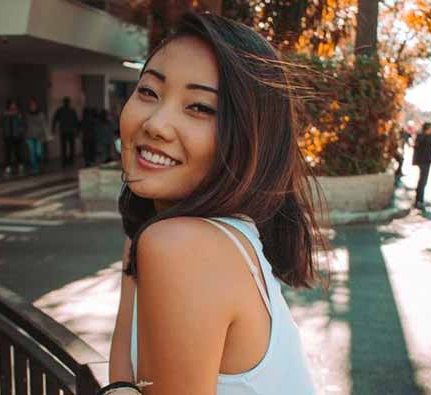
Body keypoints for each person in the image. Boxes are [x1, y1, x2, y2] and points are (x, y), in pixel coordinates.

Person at [106, 13, 322, 395]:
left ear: (249, 137)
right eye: (149, 92)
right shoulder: (155, 237)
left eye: (200, 108)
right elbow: (125, 369)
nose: (156, 124)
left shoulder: (182, 245)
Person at [0, 99, 26, 176]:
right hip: (7, 136)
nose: (13, 106)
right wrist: (3, 118)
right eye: (11, 104)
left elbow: (22, 124)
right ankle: (8, 168)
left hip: (17, 136)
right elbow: (0, 123)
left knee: (18, 152)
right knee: (8, 153)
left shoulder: (19, 113)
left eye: (14, 104)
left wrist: (21, 132)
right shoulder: (5, 114)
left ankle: (21, 166)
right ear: (9, 105)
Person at [412, 122, 431, 209]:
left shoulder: (426, 136)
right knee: (422, 181)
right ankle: (419, 200)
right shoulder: (423, 137)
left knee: (422, 181)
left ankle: (419, 200)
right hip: (424, 161)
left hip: (425, 161)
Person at [52, 97, 79, 167]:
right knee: (72, 147)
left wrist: (53, 129)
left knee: (64, 147)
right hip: (71, 131)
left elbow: (55, 120)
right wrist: (77, 131)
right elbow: (76, 121)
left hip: (63, 131)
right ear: (69, 103)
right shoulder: (72, 110)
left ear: (63, 103)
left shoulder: (60, 110)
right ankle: (71, 160)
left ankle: (64, 161)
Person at [25, 98, 47, 175]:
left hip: (39, 136)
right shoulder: (27, 115)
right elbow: (25, 125)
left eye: (34, 105)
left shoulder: (40, 114)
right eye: (31, 105)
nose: (32, 106)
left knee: (39, 152)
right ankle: (35, 168)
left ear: (36, 105)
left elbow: (44, 125)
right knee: (32, 153)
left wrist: (46, 135)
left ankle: (41, 164)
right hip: (29, 136)